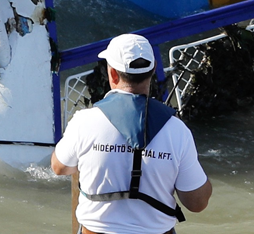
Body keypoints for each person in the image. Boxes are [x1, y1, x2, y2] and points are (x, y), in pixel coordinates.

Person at [52, 34, 212, 234]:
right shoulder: (176, 129)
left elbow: (59, 167)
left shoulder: (84, 121)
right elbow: (197, 203)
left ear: (113, 74)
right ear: (153, 70)